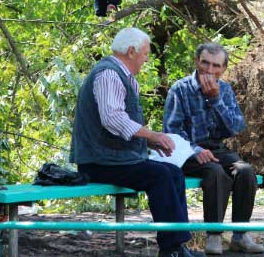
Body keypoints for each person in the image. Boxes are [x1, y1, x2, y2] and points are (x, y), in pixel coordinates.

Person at [70, 28, 203, 257]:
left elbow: (120, 126)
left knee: (172, 172)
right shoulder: (109, 74)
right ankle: (171, 249)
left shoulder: (121, 76)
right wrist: (151, 136)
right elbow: (113, 119)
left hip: (115, 159)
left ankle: (177, 246)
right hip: (99, 162)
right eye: (145, 54)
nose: (146, 60)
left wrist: (150, 143)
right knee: (160, 175)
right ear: (131, 52)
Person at [162, 43, 264, 255]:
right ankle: (214, 235)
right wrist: (194, 150)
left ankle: (240, 235)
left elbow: (235, 128)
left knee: (245, 171)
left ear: (223, 69)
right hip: (187, 152)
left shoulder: (224, 90)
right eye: (205, 63)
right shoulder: (180, 89)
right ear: (196, 62)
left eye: (216, 66)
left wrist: (216, 99)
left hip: (217, 150)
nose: (209, 70)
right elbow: (171, 131)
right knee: (216, 172)